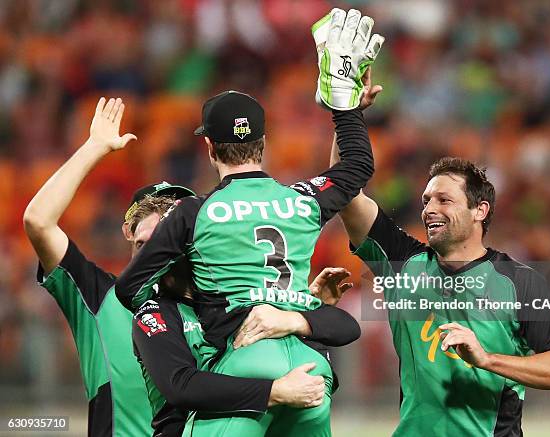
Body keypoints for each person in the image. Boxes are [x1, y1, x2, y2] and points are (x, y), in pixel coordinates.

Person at [22, 96, 360, 437]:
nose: (158, 251)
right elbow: (38, 222)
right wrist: (94, 147)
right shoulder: (99, 296)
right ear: (129, 234)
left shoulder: (219, 300)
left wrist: (296, 312)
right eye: (146, 242)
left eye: (168, 240)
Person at [116, 8, 383, 436]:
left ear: (208, 147)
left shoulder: (193, 212)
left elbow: (130, 288)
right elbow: (357, 166)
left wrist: (172, 302)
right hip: (309, 360)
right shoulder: (302, 200)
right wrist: (345, 107)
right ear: (263, 142)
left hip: (246, 358)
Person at [330, 143, 550, 435]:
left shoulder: (519, 283)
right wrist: (345, 109)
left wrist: (486, 360)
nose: (429, 209)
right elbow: (345, 190)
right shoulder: (403, 264)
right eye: (426, 200)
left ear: (479, 210)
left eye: (444, 200)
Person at [126, 194, 360, 436]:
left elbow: (347, 328)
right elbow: (180, 386)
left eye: (159, 240)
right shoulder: (154, 312)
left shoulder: (234, 295)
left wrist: (298, 315)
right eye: (142, 245)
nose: (150, 254)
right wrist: (276, 391)